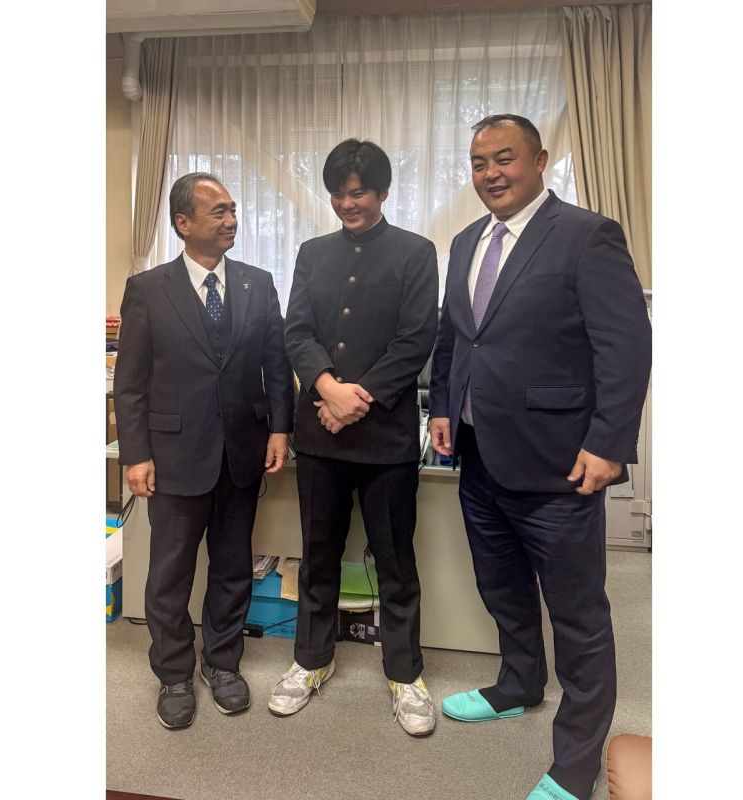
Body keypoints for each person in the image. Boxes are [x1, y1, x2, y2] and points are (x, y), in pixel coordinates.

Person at [428, 115, 651, 799]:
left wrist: (609, 443)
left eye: (504, 159)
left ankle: (575, 768)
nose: (490, 173)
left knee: (579, 618)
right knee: (502, 590)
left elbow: (625, 346)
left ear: (540, 159)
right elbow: (456, 336)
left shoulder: (587, 235)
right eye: (478, 163)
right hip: (480, 459)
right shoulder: (466, 241)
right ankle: (518, 684)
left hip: (561, 466)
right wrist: (442, 406)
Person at [269, 139, 439, 736]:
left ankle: (405, 673)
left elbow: (416, 340)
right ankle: (311, 660)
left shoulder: (416, 252)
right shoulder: (312, 253)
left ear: (383, 192)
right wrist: (326, 387)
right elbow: (297, 330)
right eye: (338, 194)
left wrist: (353, 400)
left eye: (358, 192)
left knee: (395, 560)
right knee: (318, 554)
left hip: (386, 438)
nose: (347, 203)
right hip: (320, 436)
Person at [114, 172, 294, 729]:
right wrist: (135, 454)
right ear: (183, 223)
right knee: (169, 574)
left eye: (233, 210)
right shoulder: (148, 289)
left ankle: (222, 663)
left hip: (241, 454)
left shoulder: (258, 284)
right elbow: (131, 382)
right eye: (218, 211)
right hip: (173, 456)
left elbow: (276, 365)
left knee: (233, 567)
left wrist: (280, 430)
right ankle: (173, 673)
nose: (231, 220)